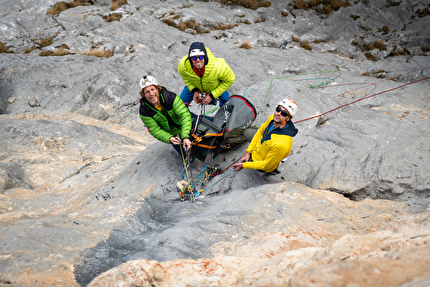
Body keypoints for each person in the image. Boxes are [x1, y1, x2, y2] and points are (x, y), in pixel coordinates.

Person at [233, 98, 299, 173]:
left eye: (284, 113)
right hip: (262, 147)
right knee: (248, 132)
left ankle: (275, 165)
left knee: (270, 163)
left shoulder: (281, 144)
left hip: (265, 164)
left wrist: (245, 165)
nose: (278, 113)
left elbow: (267, 165)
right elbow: (261, 131)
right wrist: (248, 152)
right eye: (278, 109)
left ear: (288, 118)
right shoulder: (272, 118)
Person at [138, 75, 193, 156]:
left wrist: (185, 136)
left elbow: (185, 115)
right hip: (174, 136)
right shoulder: (144, 111)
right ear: (143, 94)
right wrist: (169, 138)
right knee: (188, 156)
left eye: (152, 89)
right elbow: (154, 130)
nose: (151, 94)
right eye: (147, 92)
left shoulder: (170, 97)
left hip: (186, 124)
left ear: (157, 89)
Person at [178, 41, 235, 107]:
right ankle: (188, 117)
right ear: (190, 59)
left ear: (205, 57)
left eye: (201, 57)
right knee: (180, 106)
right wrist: (194, 91)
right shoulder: (184, 66)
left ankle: (223, 112)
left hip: (214, 85)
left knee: (226, 104)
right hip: (195, 85)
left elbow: (230, 79)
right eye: (194, 58)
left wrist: (212, 95)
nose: (198, 60)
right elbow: (184, 76)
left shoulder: (218, 66)